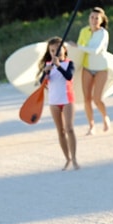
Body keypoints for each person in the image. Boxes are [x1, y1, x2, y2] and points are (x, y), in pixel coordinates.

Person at [38, 37, 79, 170]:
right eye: (52, 50)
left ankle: (74, 159)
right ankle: (67, 159)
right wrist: (45, 73)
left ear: (65, 49)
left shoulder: (69, 63)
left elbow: (69, 76)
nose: (56, 52)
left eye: (58, 49)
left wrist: (59, 66)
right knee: (60, 131)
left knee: (69, 128)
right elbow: (41, 83)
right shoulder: (48, 65)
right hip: (54, 101)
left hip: (67, 100)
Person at [77, 6, 111, 135]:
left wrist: (79, 47)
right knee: (87, 99)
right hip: (87, 67)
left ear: (102, 20)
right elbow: (79, 51)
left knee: (97, 99)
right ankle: (91, 125)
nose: (94, 20)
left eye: (97, 18)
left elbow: (96, 51)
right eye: (92, 17)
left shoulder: (103, 33)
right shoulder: (84, 31)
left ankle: (105, 117)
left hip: (101, 68)